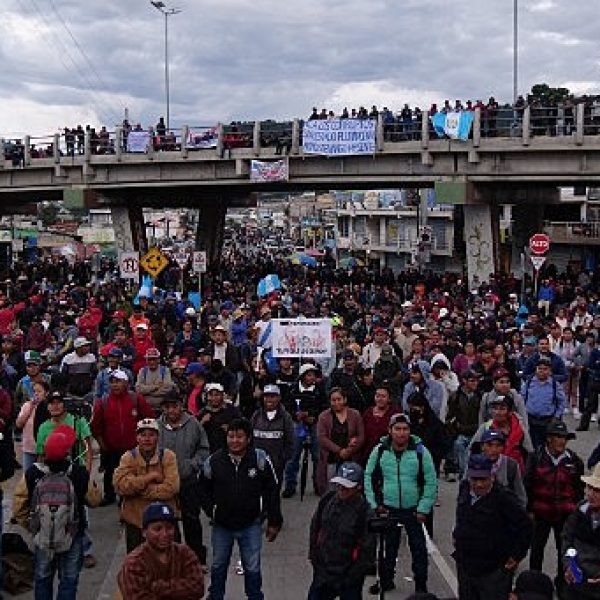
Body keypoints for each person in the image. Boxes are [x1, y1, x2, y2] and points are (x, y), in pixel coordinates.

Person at [198, 418, 282, 600]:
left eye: (239, 437)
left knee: (252, 566)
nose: (235, 441)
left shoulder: (260, 459)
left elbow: (272, 490)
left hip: (251, 525)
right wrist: (211, 511)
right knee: (219, 565)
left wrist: (274, 521)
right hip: (222, 526)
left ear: (248, 439)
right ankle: (215, 596)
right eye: (231, 436)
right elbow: (202, 488)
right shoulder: (214, 461)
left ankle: (254, 596)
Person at [364, 413, 438, 594]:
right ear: (390, 430)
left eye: (405, 429)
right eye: (397, 429)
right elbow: (369, 477)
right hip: (388, 508)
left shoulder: (421, 452)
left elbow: (430, 481)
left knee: (419, 551)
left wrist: (423, 508)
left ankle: (421, 586)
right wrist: (375, 504)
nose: (401, 433)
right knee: (388, 549)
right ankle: (386, 581)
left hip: (415, 510)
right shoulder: (380, 450)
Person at [453, 454, 533, 600]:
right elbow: (461, 515)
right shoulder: (464, 490)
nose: (478, 484)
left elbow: (526, 526)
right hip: (466, 565)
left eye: (483, 479)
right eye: (474, 479)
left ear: (492, 477)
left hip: (493, 570)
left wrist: (516, 555)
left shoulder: (504, 498)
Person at [26, 425, 89, 600]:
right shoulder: (79, 473)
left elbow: (26, 501)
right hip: (72, 533)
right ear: (67, 452)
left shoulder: (33, 473)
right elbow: (90, 499)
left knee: (42, 577)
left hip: (43, 535)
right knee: (69, 579)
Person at [524, 421, 584, 595]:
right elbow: (527, 485)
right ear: (549, 439)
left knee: (565, 552)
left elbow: (579, 491)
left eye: (564, 438)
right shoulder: (535, 458)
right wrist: (529, 510)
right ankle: (534, 585)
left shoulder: (574, 461)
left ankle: (563, 585)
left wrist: (575, 514)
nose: (562, 441)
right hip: (540, 513)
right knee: (536, 550)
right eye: (558, 437)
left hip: (565, 515)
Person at [308, 462, 375, 600]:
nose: (341, 489)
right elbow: (315, 529)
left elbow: (367, 548)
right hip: (323, 572)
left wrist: (354, 574)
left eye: (346, 487)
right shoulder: (327, 501)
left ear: (359, 487)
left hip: (349, 576)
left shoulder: (364, 513)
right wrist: (315, 559)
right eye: (339, 484)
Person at [158, 390, 209, 566]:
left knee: (192, 521)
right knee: (167, 523)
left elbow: (203, 449)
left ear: (182, 406)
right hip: (165, 483)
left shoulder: (193, 424)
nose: (172, 411)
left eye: (175, 406)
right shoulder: (157, 426)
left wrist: (192, 465)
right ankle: (173, 560)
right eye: (168, 407)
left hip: (188, 481)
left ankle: (196, 559)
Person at [113, 418, 180, 553]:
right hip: (136, 523)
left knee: (171, 566)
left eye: (151, 434)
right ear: (137, 437)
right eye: (143, 435)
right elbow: (120, 486)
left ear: (157, 437)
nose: (147, 439)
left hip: (165, 522)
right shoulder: (128, 457)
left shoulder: (168, 456)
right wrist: (151, 477)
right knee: (138, 568)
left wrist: (140, 490)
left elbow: (172, 488)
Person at [90, 369, 154, 506]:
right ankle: (109, 496)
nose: (115, 385)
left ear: (126, 383)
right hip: (111, 448)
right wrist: (102, 444)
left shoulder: (136, 399)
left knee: (134, 473)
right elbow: (96, 426)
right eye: (112, 382)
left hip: (133, 448)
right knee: (110, 473)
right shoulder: (103, 402)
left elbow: (149, 419)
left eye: (118, 381)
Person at [117, 502, 205, 600]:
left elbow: (198, 588)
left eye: (169, 528)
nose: (165, 534)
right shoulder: (134, 563)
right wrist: (179, 590)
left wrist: (159, 587)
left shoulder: (184, 553)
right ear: (144, 532)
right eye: (157, 529)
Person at [283, 363, 327, 498]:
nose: (312, 377)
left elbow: (324, 406)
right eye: (309, 375)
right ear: (302, 376)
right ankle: (290, 485)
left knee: (317, 456)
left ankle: (318, 485)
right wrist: (295, 415)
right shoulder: (292, 389)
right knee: (293, 456)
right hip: (297, 425)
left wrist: (311, 415)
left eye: (313, 375)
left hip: (314, 424)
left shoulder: (320, 390)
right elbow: (286, 406)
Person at [561, 462, 600, 599]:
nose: (591, 494)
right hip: (577, 583)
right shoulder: (580, 511)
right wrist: (569, 565)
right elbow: (567, 539)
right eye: (590, 488)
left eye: (597, 490)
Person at [315, 387, 364, 496]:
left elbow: (361, 436)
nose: (336, 402)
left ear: (345, 399)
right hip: (331, 459)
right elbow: (322, 438)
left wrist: (349, 450)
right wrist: (339, 451)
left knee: (351, 491)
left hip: (351, 459)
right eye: (333, 400)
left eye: (339, 399)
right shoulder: (323, 416)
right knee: (331, 491)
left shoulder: (355, 415)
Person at [470, 393, 533, 473]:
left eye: (502, 409)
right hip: (490, 472)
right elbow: (472, 450)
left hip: (515, 472)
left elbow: (529, 452)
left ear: (510, 412)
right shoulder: (486, 427)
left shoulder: (520, 428)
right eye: (495, 408)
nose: (497, 412)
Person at [250, 384, 295, 489]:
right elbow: (249, 438)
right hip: (257, 463)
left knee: (273, 493)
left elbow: (290, 441)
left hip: (276, 464)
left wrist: (282, 459)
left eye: (272, 396)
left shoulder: (285, 418)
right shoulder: (256, 416)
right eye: (266, 396)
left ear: (279, 398)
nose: (269, 399)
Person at [521, 357, 566, 450]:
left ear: (550, 371)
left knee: (546, 446)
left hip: (547, 421)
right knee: (530, 446)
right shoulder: (529, 383)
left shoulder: (554, 384)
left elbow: (562, 401)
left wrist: (557, 416)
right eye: (539, 368)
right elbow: (521, 398)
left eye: (545, 369)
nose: (542, 371)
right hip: (530, 420)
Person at [445, 369, 483, 478]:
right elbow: (449, 417)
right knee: (459, 444)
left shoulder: (480, 396)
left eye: (476, 380)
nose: (475, 383)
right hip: (461, 432)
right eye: (472, 380)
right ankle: (465, 475)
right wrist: (455, 429)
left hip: (476, 432)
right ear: (464, 381)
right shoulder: (455, 396)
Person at [361, 385, 401, 465]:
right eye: (377, 396)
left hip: (389, 455)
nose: (380, 399)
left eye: (383, 396)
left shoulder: (396, 413)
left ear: (389, 399)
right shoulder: (367, 413)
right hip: (368, 454)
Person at [197, 382, 241, 454]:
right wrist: (202, 422)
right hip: (207, 451)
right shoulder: (202, 412)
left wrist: (231, 429)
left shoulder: (232, 411)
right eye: (211, 395)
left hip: (227, 451)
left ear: (222, 395)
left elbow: (242, 428)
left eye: (217, 395)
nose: (214, 398)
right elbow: (194, 434)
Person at [16, 379, 49, 471]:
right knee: (28, 476)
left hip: (44, 450)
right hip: (29, 448)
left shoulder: (49, 407)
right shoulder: (27, 405)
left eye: (39, 391)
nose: (36, 394)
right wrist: (30, 407)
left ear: (46, 393)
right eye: (34, 391)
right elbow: (19, 424)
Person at [135, 348, 174, 414]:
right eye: (149, 359)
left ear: (158, 360)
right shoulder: (142, 371)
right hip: (145, 407)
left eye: (154, 359)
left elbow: (168, 388)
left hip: (161, 408)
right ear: (146, 360)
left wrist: (147, 392)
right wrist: (155, 387)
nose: (152, 362)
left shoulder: (165, 370)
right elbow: (138, 389)